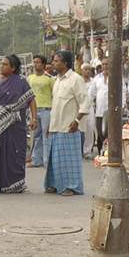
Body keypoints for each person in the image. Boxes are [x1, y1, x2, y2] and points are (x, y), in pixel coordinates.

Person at [0, 55, 36, 194]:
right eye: (1, 64)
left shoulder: (21, 81)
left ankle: (15, 184)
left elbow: (31, 100)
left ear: (13, 68)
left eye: (4, 64)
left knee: (15, 153)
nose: (1, 66)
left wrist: (34, 118)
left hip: (16, 124)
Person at [45, 50, 87, 197]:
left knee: (69, 160)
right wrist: (49, 124)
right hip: (56, 125)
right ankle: (56, 184)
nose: (53, 63)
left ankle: (72, 187)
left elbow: (85, 103)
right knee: (55, 159)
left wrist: (76, 121)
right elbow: (55, 105)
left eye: (56, 61)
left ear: (66, 63)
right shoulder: (57, 80)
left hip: (70, 127)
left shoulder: (76, 79)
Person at [27, 56, 54, 168]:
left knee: (46, 135)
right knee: (36, 135)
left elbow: (54, 94)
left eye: (38, 62)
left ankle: (47, 160)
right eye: (34, 62)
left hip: (46, 109)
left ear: (43, 64)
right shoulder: (30, 78)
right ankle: (36, 160)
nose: (35, 64)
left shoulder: (49, 78)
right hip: (34, 109)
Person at [88, 59, 110, 156]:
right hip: (99, 111)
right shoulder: (97, 78)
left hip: (111, 111)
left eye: (107, 64)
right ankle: (101, 153)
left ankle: (109, 153)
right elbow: (91, 94)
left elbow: (122, 90)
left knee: (110, 133)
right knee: (100, 133)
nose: (105, 66)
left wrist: (121, 106)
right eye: (103, 64)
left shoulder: (116, 77)